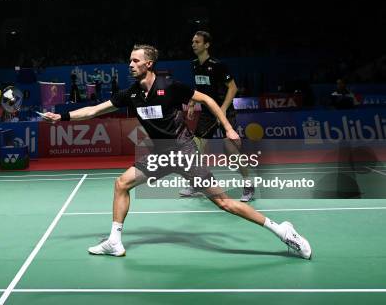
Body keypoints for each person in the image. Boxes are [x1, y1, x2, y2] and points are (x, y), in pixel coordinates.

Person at [43, 44, 311, 259]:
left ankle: (282, 230)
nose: (130, 64)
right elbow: (93, 110)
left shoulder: (169, 86)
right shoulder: (131, 94)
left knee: (224, 203)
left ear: (149, 64)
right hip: (160, 153)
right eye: (130, 60)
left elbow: (205, 99)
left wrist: (228, 127)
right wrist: (62, 117)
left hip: (184, 151)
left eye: (135, 61)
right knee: (121, 183)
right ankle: (114, 241)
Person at [182, 31, 255, 202]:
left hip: (225, 111)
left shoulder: (218, 65)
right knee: (196, 148)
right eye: (192, 41)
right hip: (207, 113)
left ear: (206, 45)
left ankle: (248, 185)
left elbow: (233, 88)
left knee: (230, 150)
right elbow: (198, 86)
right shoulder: (194, 64)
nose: (193, 44)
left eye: (197, 42)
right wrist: (192, 103)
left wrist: (221, 110)